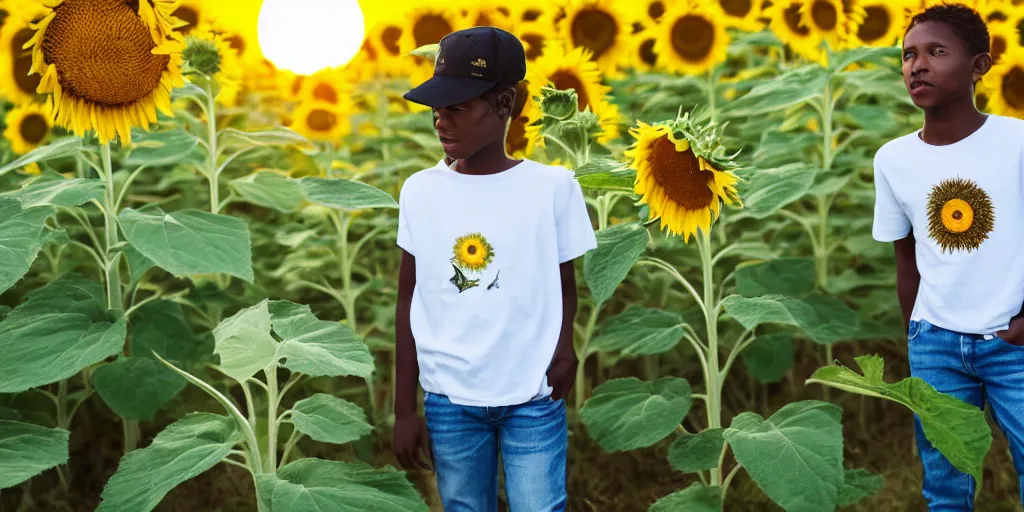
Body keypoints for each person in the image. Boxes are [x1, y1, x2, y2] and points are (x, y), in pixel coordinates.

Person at [391, 26, 597, 511]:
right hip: (450, 397)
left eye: (457, 107)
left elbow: (563, 280)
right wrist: (403, 408)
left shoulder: (552, 187)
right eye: (436, 108)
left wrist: (566, 344)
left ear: (505, 104)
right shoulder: (420, 190)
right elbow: (408, 297)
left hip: (532, 391)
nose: (441, 121)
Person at [872, 3, 1024, 509]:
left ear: (979, 65)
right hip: (935, 343)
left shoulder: (1017, 142)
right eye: (909, 55)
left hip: (1014, 339)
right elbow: (906, 259)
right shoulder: (893, 159)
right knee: (944, 481)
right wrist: (916, 337)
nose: (918, 65)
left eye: (937, 52)